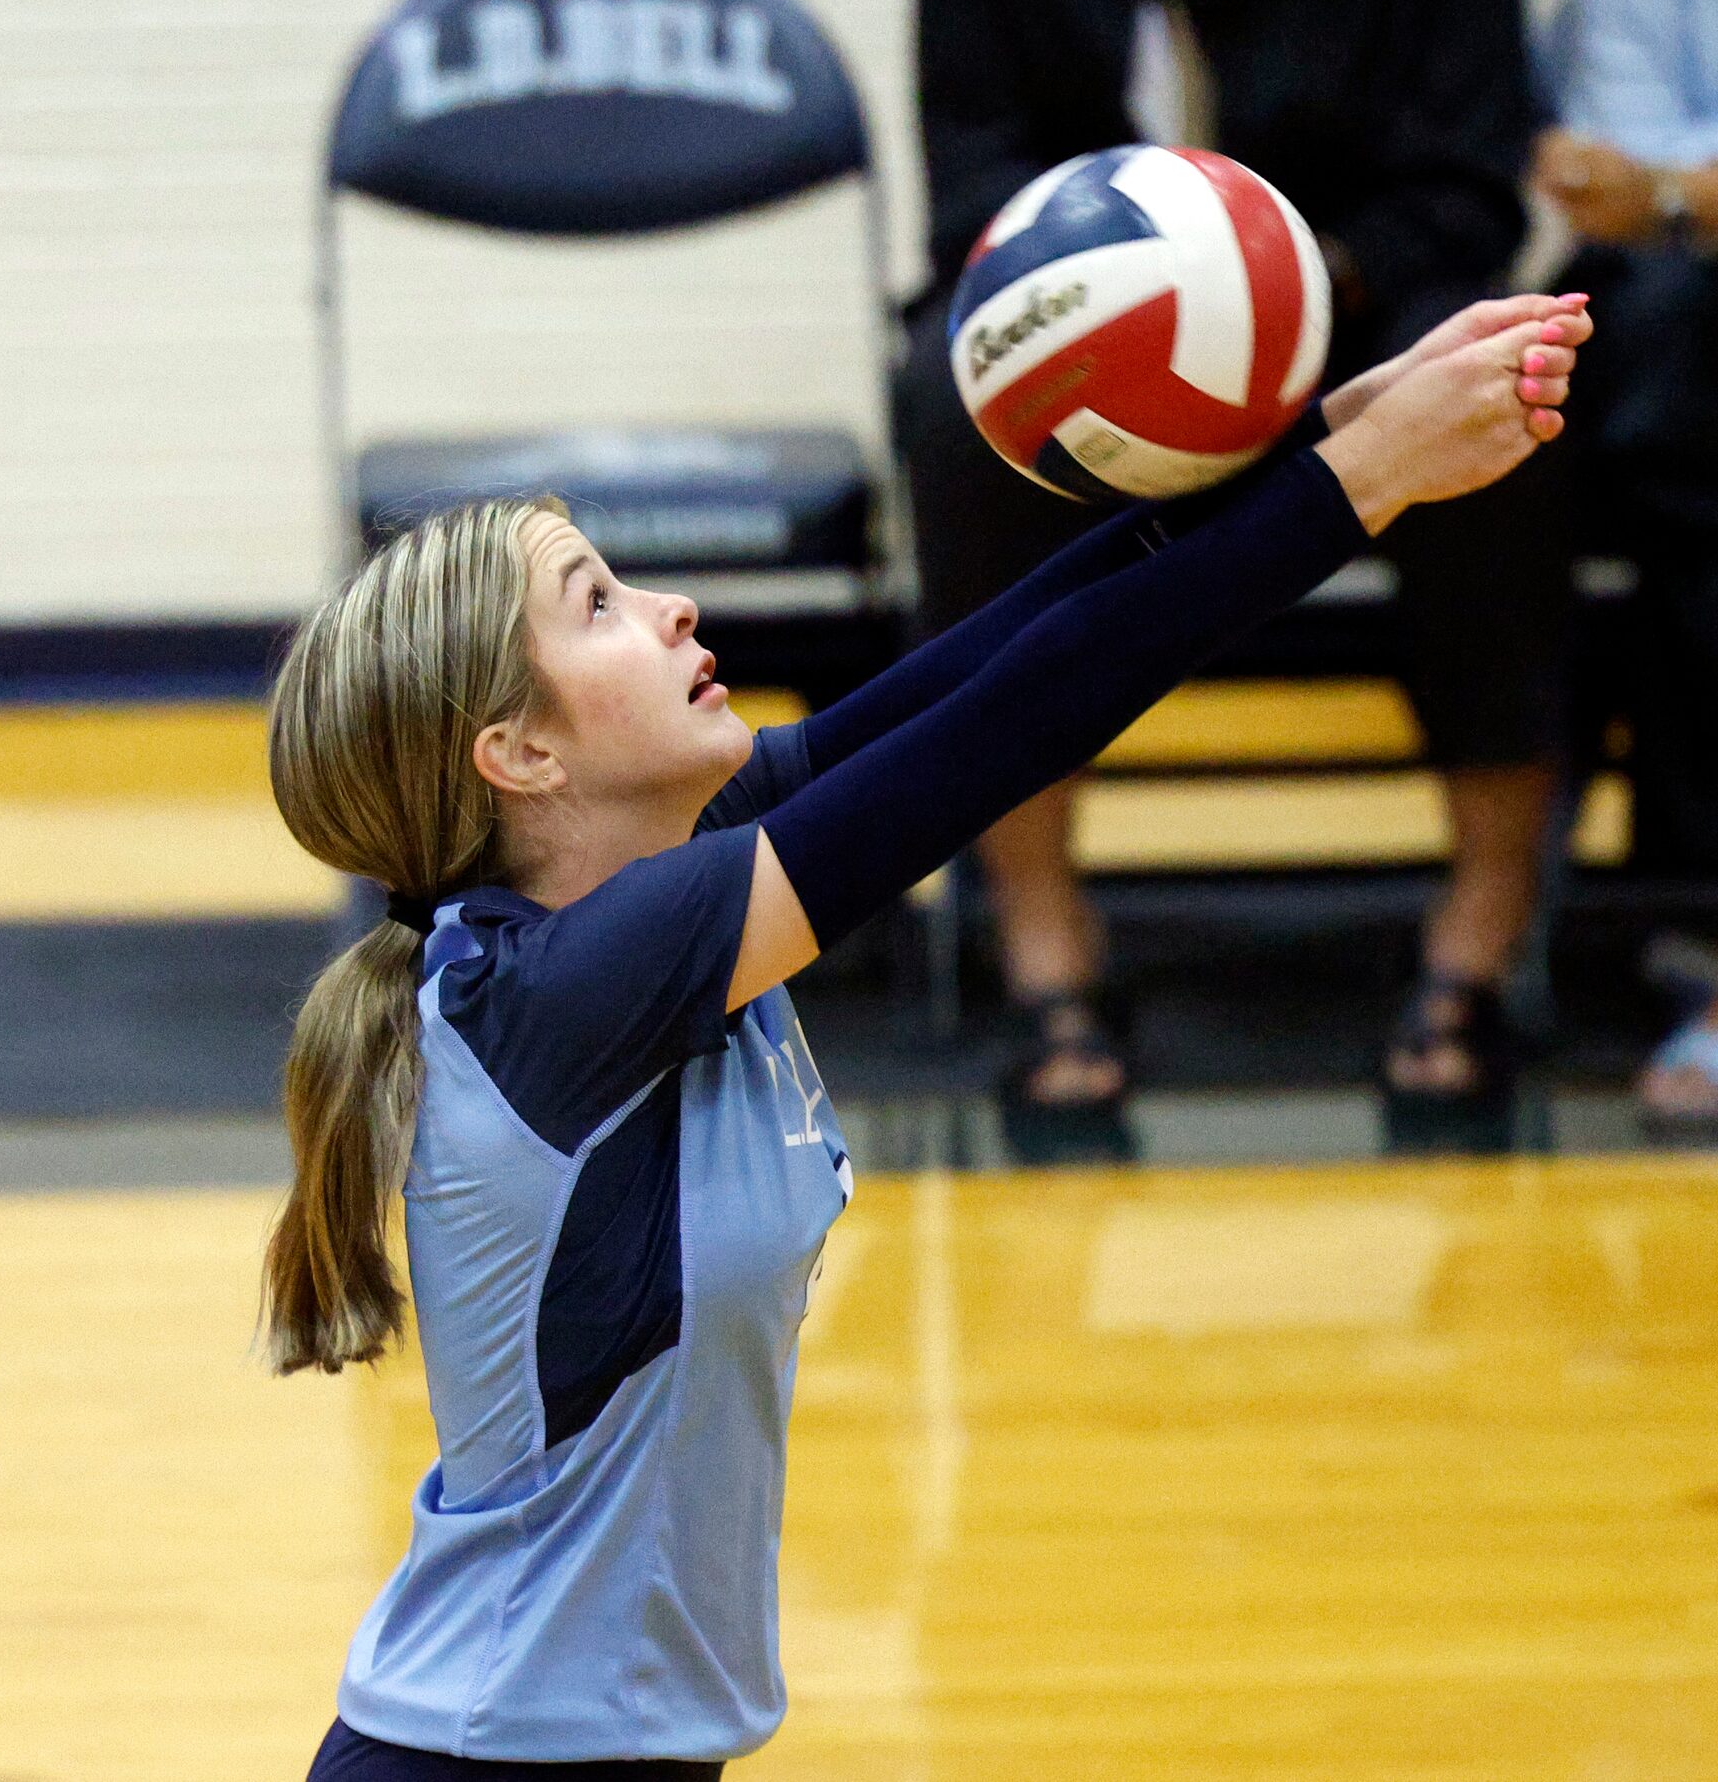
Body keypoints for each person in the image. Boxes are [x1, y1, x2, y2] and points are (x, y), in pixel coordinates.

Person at [260, 288, 1588, 1779]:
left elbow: (1007, 653)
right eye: (597, 605)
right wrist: (1366, 484)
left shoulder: (645, 892)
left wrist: (1327, 433)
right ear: (521, 754)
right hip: (490, 1754)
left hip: (582, 1745)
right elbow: (1014, 727)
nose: (670, 608)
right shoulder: (565, 989)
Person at [896, 0, 1567, 1140]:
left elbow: (1470, 193)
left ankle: (1479, 932)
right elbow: (972, 189)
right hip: (1094, 328)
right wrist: (1135, 297)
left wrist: (1272, 281)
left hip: (1357, 296)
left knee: (1501, 386)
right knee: (951, 415)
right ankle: (1045, 941)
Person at [1531, 0, 1718, 1132]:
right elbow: (1609, 187)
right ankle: (1695, 919)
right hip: (1681, 341)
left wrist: (1663, 190)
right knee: (1652, 365)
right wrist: (1671, 192)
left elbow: (1644, 185)